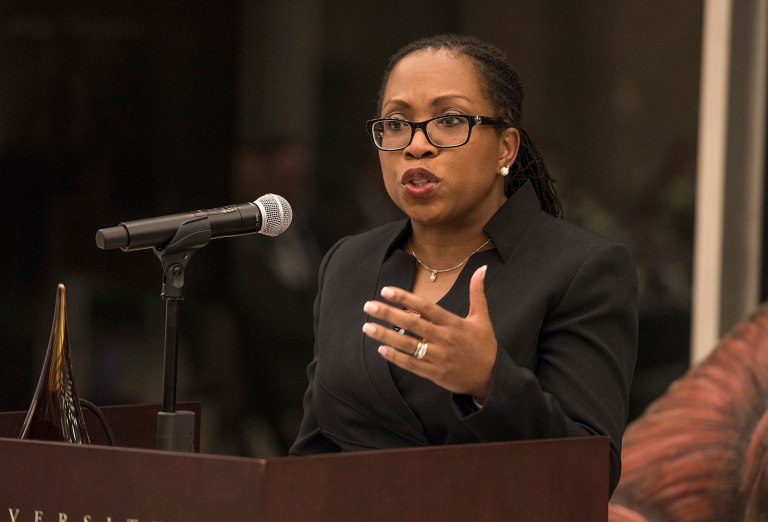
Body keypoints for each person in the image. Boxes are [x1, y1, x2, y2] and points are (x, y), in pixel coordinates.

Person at [290, 34, 638, 496]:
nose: (416, 146)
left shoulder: (582, 269)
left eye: (449, 120)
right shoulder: (349, 262)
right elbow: (312, 453)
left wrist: (489, 382)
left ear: (505, 149)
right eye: (396, 123)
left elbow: (590, 477)